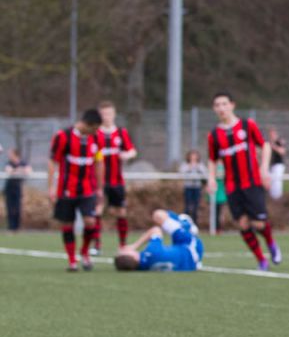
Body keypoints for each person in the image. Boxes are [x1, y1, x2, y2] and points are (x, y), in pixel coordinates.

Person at [207, 92, 281, 270]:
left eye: (224, 104)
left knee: (259, 223)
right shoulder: (214, 135)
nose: (221, 108)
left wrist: (264, 168)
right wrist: (211, 178)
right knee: (242, 224)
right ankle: (261, 260)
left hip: (252, 182)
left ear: (232, 105)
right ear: (214, 109)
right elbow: (212, 159)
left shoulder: (247, 125)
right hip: (232, 186)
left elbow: (264, 145)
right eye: (217, 105)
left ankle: (271, 243)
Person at [48, 109, 103, 271]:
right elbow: (52, 162)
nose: (96, 132)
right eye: (94, 128)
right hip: (67, 189)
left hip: (87, 188)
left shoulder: (96, 138)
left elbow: (99, 162)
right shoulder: (63, 136)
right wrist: (50, 187)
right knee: (67, 224)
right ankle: (72, 261)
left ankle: (84, 252)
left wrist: (99, 188)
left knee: (90, 221)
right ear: (87, 124)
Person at [92, 101, 137, 254]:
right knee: (97, 210)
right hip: (99, 181)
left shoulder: (120, 133)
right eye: (104, 114)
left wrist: (126, 155)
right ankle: (97, 245)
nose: (107, 117)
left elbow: (132, 151)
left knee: (121, 212)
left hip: (117, 181)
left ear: (114, 114)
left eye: (109, 114)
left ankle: (123, 245)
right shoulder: (95, 133)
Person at [114, 209, 203, 271]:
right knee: (158, 215)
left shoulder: (142, 267)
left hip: (191, 264)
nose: (124, 249)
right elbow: (156, 230)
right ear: (133, 257)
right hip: (191, 246)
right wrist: (134, 245)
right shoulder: (151, 252)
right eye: (124, 251)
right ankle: (188, 225)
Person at [3, 148, 32, 231]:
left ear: (15, 155)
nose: (9, 156)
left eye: (11, 154)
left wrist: (17, 170)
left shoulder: (23, 163)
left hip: (17, 188)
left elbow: (28, 170)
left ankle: (17, 227)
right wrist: (19, 170)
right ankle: (11, 227)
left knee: (17, 207)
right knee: (9, 207)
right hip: (9, 188)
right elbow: (9, 171)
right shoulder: (9, 163)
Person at [179, 149, 207, 223]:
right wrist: (190, 167)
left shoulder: (200, 164)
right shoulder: (185, 164)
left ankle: (194, 223)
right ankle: (185, 222)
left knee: (196, 206)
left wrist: (197, 167)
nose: (194, 157)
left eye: (195, 156)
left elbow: (204, 173)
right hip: (188, 187)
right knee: (188, 206)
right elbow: (181, 173)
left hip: (197, 187)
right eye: (192, 156)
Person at [268, 128, 287, 200]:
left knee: (277, 181)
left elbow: (282, 152)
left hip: (278, 165)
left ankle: (278, 197)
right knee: (272, 181)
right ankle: (273, 197)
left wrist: (274, 146)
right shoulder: (270, 143)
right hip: (272, 165)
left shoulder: (278, 142)